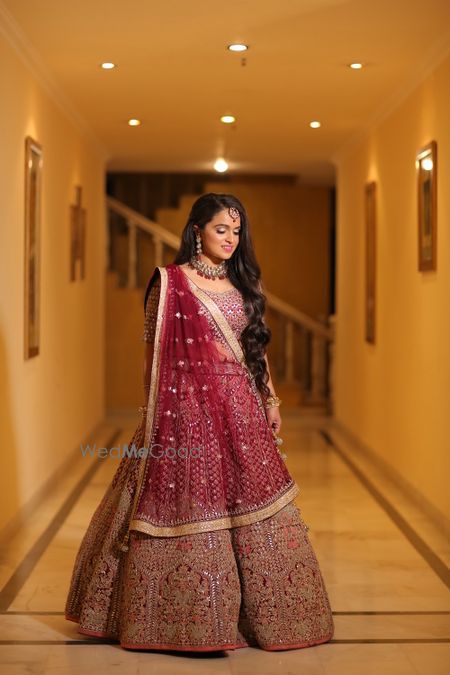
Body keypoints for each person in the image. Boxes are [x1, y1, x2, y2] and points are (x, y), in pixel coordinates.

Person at [65, 192, 334, 652]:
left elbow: (256, 349)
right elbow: (153, 354)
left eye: (236, 231)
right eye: (220, 229)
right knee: (190, 501)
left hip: (241, 410)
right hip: (183, 410)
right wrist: (155, 419)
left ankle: (264, 618)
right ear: (197, 231)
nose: (230, 239)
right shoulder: (170, 283)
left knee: (251, 500)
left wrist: (270, 399)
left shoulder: (246, 284)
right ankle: (182, 620)